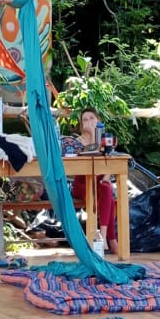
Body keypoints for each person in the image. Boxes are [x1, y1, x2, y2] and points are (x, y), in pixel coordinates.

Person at [68, 107, 118, 254]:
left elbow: (111, 162)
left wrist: (106, 178)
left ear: (98, 120)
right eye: (85, 120)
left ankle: (102, 236)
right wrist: (90, 136)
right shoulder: (79, 141)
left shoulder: (107, 140)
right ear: (81, 124)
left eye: (92, 118)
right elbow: (82, 164)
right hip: (83, 184)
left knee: (107, 189)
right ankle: (111, 240)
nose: (89, 122)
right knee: (106, 197)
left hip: (99, 183)